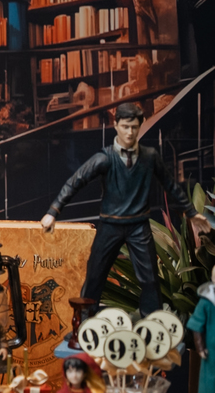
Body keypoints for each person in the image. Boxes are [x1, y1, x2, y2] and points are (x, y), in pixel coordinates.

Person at [41, 102, 211, 316]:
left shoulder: (149, 157)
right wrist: (53, 211)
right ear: (116, 125)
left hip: (139, 226)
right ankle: (84, 323)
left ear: (139, 126)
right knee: (95, 275)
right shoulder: (104, 158)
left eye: (134, 127)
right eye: (125, 126)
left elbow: (171, 186)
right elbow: (75, 181)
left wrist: (192, 213)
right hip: (110, 225)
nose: (129, 132)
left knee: (149, 279)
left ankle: (153, 324)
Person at [186, 266, 215, 393]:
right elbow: (197, 325)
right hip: (211, 354)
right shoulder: (207, 301)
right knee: (212, 392)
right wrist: (200, 347)